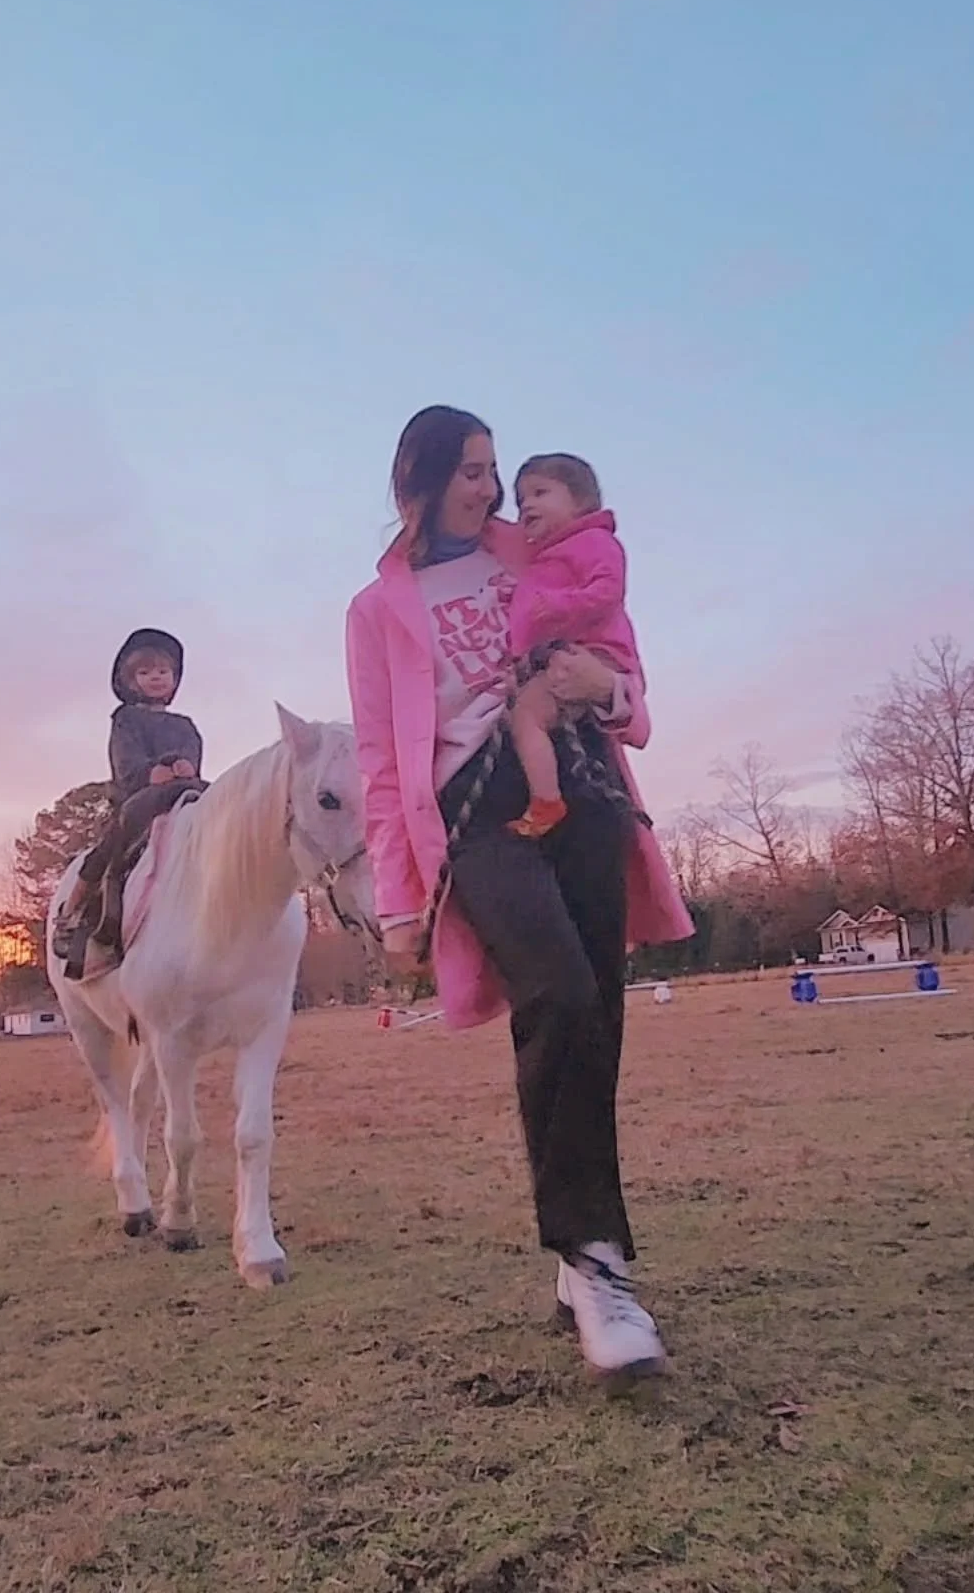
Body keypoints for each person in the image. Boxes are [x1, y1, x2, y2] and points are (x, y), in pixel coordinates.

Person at [345, 405, 694, 1390]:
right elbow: (380, 756)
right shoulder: (377, 611)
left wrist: (612, 692)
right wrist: (399, 897)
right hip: (475, 812)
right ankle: (592, 1261)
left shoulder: (534, 548)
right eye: (467, 469)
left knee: (597, 1012)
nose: (488, 488)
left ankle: (587, 1260)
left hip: (579, 778)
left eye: (494, 468)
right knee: (559, 991)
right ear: (415, 478)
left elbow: (621, 661)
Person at [54, 628, 207, 979]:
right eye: (146, 672)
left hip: (182, 793)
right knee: (112, 844)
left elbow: (192, 758)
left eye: (163, 672)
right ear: (131, 680)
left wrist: (185, 768)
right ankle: (73, 911)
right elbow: (126, 764)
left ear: (174, 679)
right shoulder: (125, 720)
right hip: (139, 796)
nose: (156, 677)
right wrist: (152, 772)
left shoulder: (186, 725)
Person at [505, 452, 641, 839]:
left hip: (594, 653)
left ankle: (546, 800)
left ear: (579, 501)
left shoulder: (594, 541)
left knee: (527, 719)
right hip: (562, 656)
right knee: (526, 715)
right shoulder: (546, 557)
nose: (526, 504)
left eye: (539, 492)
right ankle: (546, 797)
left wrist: (557, 607)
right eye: (520, 500)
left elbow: (609, 591)